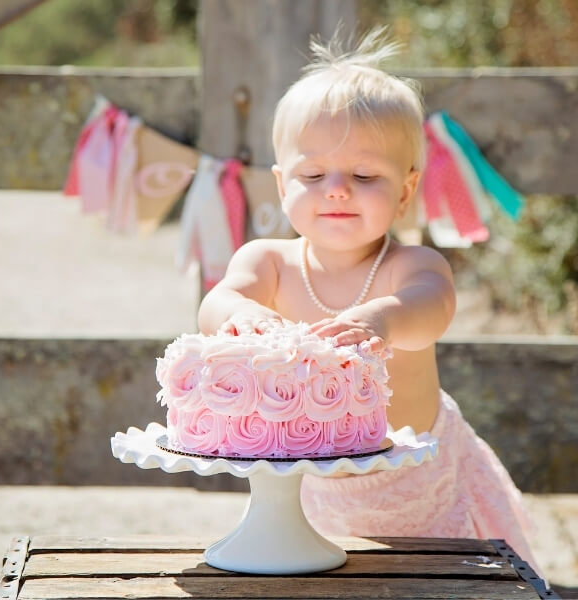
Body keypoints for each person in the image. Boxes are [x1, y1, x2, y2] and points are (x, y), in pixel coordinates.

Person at [198, 28, 540, 574]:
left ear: (405, 191)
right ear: (283, 184)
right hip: (309, 482)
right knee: (319, 573)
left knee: (437, 580)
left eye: (363, 175)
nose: (337, 189)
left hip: (420, 477)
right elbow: (220, 300)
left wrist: (386, 316)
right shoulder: (268, 261)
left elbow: (432, 308)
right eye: (313, 174)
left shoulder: (411, 267)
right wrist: (243, 314)